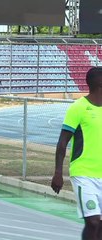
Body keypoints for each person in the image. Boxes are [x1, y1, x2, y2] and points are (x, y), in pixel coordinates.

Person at [51, 67, 102, 240]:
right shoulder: (78, 108)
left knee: (100, 225)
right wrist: (58, 173)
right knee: (93, 221)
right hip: (84, 175)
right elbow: (62, 142)